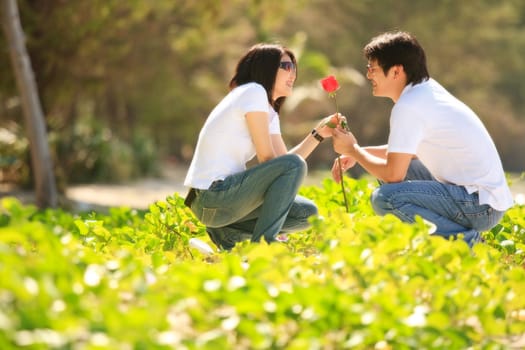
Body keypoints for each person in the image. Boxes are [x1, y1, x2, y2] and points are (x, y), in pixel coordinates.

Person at [330, 31, 514, 247]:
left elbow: (393, 175)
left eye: (373, 69)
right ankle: (452, 236)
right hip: (484, 200)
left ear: (396, 71)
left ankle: (467, 242)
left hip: (479, 206)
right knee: (398, 171)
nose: (369, 75)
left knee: (385, 197)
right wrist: (361, 152)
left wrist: (354, 151)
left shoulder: (409, 106)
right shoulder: (425, 91)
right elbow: (408, 151)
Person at [184, 43, 335, 251]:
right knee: (293, 166)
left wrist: (317, 134)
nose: (293, 73)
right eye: (286, 66)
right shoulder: (253, 92)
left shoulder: (268, 110)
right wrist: (288, 170)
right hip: (213, 195)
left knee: (307, 213)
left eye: (294, 67)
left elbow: (284, 163)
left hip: (223, 207)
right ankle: (265, 246)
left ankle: (227, 233)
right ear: (266, 67)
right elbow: (272, 159)